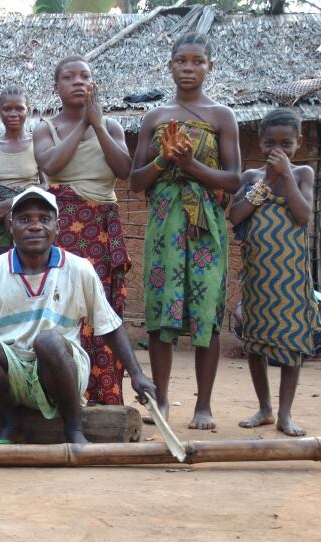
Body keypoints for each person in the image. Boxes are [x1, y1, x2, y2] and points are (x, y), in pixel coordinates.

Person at [0, 187, 156, 444]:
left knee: (48, 341)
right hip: (12, 376)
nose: (34, 226)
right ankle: (11, 423)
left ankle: (73, 428)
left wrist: (137, 375)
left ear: (57, 227)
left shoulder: (79, 269)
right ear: (11, 227)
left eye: (44, 219)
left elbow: (109, 326)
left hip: (59, 371)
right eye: (24, 219)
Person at [130, 33, 241, 430]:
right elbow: (135, 181)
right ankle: (160, 401)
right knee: (161, 312)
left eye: (197, 61)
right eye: (181, 61)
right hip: (164, 224)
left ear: (209, 66)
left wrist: (192, 165)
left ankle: (203, 406)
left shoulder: (222, 116)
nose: (189, 68)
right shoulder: (154, 118)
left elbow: (233, 180)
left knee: (206, 310)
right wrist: (164, 157)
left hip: (206, 227)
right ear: (170, 66)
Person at [33, 57, 133, 407]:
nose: (78, 82)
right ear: (56, 87)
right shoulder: (46, 128)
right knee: (63, 302)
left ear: (94, 84)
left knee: (103, 306)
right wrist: (83, 124)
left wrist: (99, 126)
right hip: (65, 228)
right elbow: (51, 164)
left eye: (85, 76)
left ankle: (105, 392)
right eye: (68, 77)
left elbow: (124, 170)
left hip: (102, 228)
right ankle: (63, 393)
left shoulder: (114, 127)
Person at [229, 109, 318, 437]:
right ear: (259, 141)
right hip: (258, 276)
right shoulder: (251, 177)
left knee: (292, 341)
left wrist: (286, 176)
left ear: (298, 142)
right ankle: (264, 408)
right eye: (269, 142)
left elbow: (303, 215)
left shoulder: (304, 174)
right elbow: (236, 216)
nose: (276, 149)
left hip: (292, 277)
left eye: (285, 143)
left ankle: (285, 414)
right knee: (255, 341)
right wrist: (265, 183)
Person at [0, 86, 43, 263]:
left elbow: (46, 185)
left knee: (30, 267)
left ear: (29, 111)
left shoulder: (38, 144)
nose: (13, 113)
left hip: (30, 216)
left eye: (19, 108)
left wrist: (10, 205)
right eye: (7, 109)